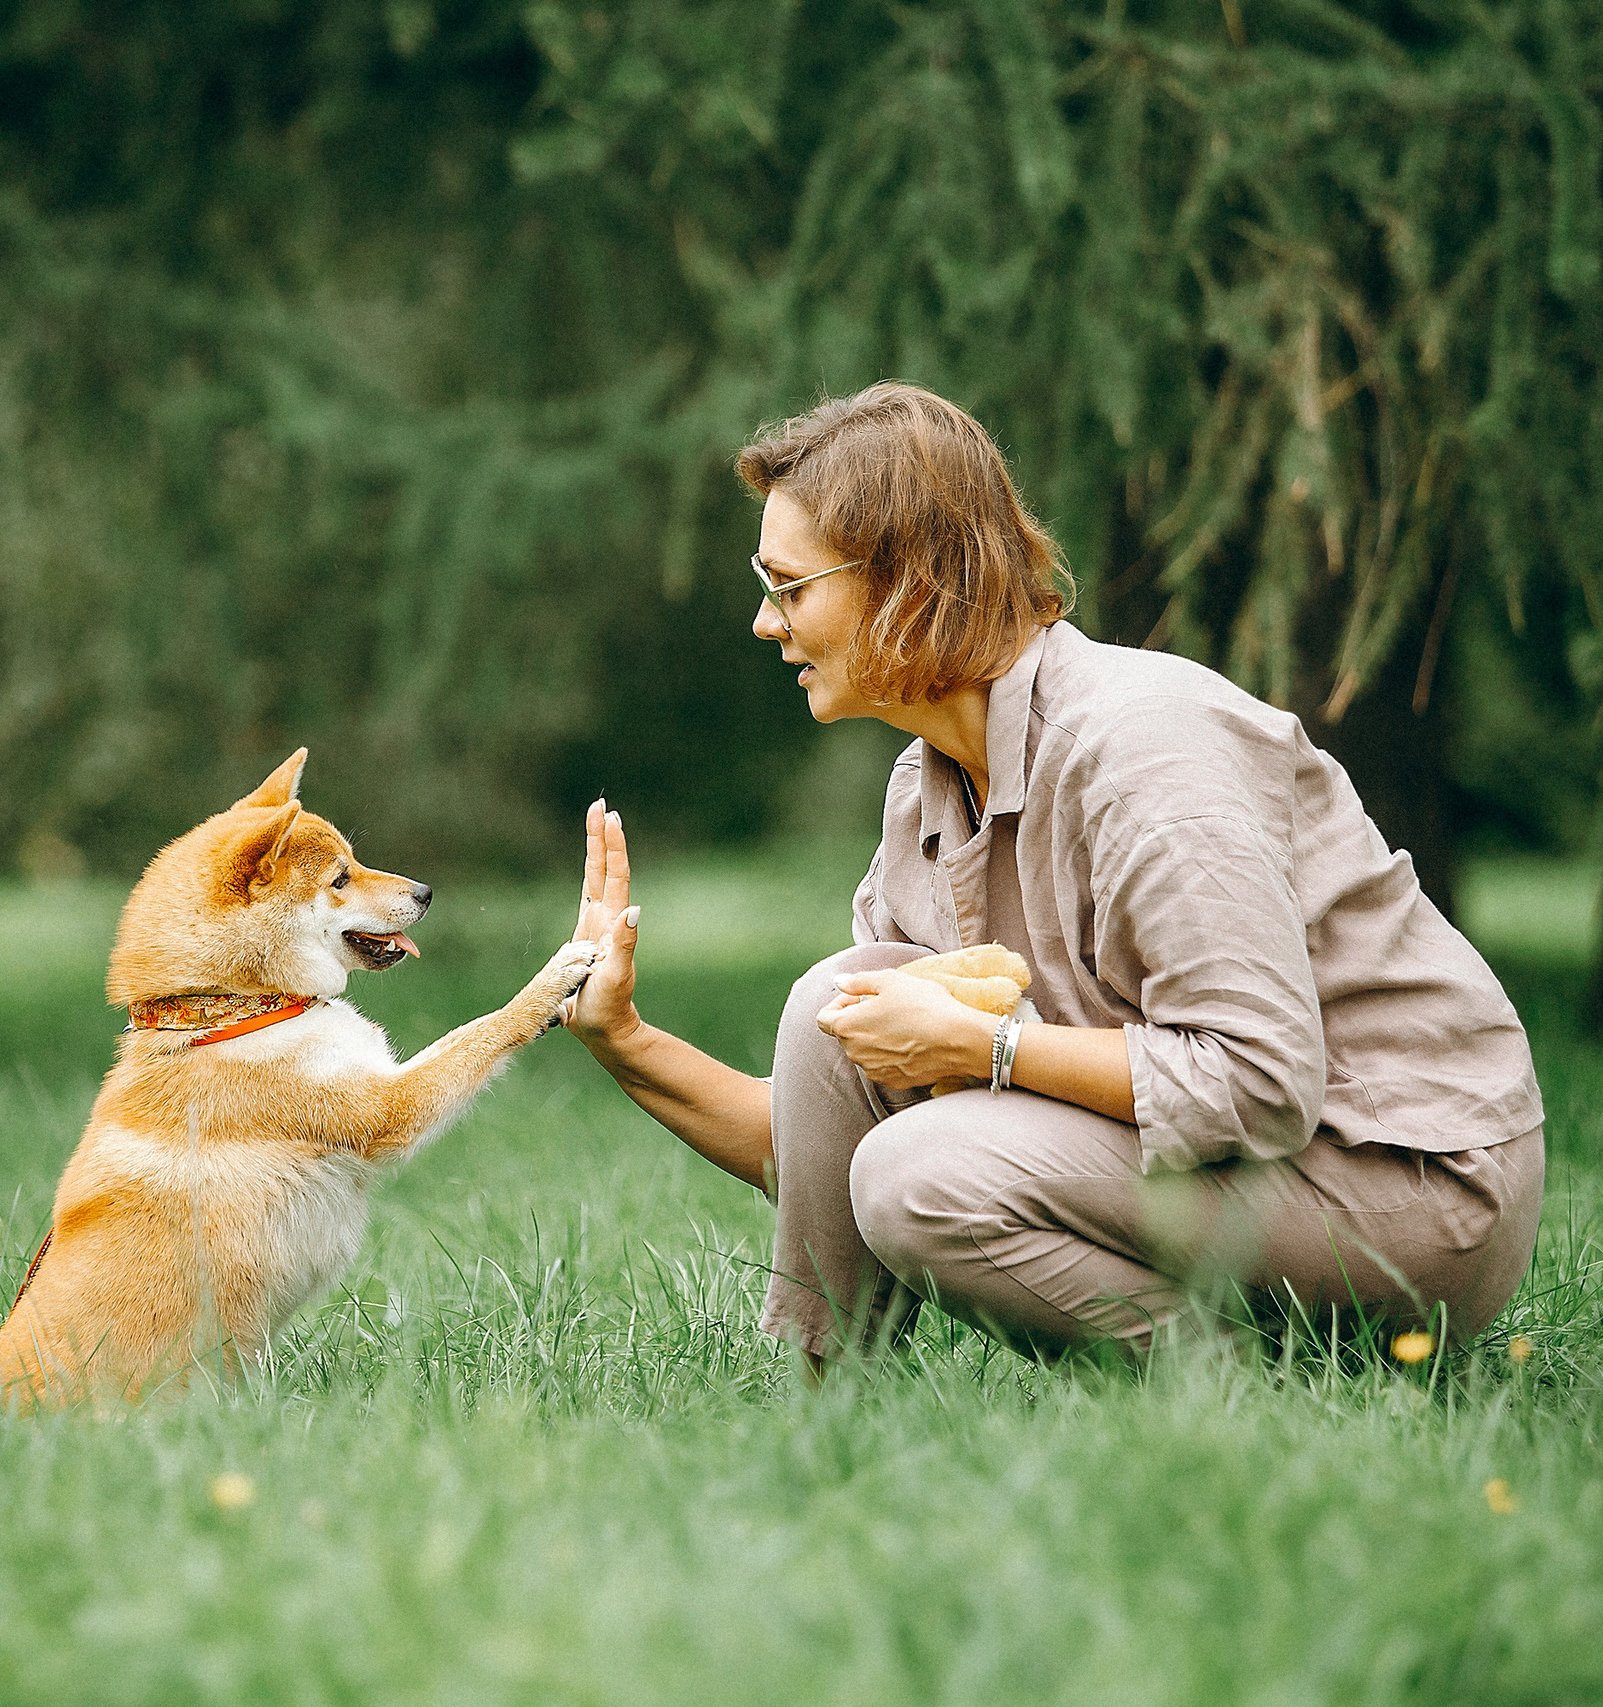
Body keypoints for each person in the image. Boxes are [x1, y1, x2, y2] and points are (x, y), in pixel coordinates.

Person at [562, 382, 1545, 1371]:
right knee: (839, 1007)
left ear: (907, 581)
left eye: (788, 585)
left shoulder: (1144, 752)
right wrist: (626, 1042)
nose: (765, 624)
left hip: (1406, 1184)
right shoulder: (927, 792)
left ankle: (1245, 1399)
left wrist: (989, 1049)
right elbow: (827, 1164)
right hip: (1243, 1174)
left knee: (919, 1175)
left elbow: (1259, 1082)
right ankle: (821, 1415)